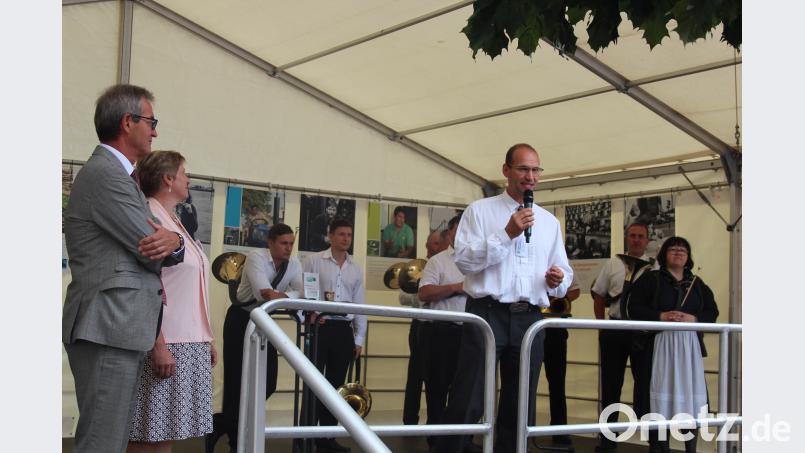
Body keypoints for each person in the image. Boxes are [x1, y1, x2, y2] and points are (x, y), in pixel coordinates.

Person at [62, 84, 185, 453]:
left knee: (111, 439)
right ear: (127, 122)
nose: (155, 132)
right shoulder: (106, 174)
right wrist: (169, 242)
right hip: (108, 324)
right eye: (151, 122)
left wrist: (174, 239)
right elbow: (150, 247)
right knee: (102, 441)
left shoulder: (121, 175)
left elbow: (163, 242)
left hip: (117, 325)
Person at [432, 143, 573, 453]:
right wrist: (506, 233)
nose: (530, 176)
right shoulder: (479, 211)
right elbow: (464, 262)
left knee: (520, 402)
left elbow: (564, 273)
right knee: (469, 396)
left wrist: (558, 279)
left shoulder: (549, 222)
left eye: (535, 170)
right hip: (487, 312)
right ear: (506, 170)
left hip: (530, 317)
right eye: (523, 169)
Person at [127, 151, 217, 453]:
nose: (188, 179)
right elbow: (147, 284)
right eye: (183, 173)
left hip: (188, 340)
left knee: (165, 433)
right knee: (147, 433)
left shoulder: (174, 220)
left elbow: (190, 286)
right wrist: (159, 344)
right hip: (168, 340)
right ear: (168, 179)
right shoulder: (151, 217)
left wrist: (206, 337)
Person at [206, 223, 304, 453]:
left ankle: (222, 423)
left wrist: (282, 295)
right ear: (270, 243)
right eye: (283, 243)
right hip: (240, 320)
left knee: (268, 382)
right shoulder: (255, 258)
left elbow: (303, 292)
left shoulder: (294, 263)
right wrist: (288, 296)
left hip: (264, 320)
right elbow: (263, 293)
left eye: (291, 243)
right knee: (236, 380)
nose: (288, 248)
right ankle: (235, 440)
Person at [625, 237, 718, 453]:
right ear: (664, 254)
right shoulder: (651, 279)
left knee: (689, 398)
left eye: (683, 250)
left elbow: (712, 311)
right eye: (673, 249)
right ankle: (660, 448)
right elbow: (634, 308)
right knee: (659, 399)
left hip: (689, 348)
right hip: (659, 346)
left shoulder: (697, 283)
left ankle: (691, 449)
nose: (678, 252)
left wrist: (694, 319)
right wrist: (661, 316)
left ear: (688, 257)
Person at [302, 219, 367, 453]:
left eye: (349, 234)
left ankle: (327, 438)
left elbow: (360, 305)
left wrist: (359, 339)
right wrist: (308, 315)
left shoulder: (355, 267)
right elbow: (304, 292)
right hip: (320, 326)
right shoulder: (314, 260)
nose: (346, 238)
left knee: (336, 386)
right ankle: (304, 436)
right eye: (341, 234)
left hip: (343, 330)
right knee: (312, 383)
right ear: (330, 236)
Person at [591, 223, 654, 452]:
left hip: (642, 333)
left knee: (646, 385)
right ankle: (608, 440)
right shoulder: (613, 263)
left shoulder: (654, 268)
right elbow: (599, 295)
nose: (636, 240)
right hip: (615, 330)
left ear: (647, 240)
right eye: (632, 236)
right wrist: (601, 326)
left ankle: (653, 440)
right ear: (627, 238)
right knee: (610, 386)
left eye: (641, 236)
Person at [418, 215, 467, 446]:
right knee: (437, 388)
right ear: (449, 234)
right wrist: (456, 287)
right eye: (459, 229)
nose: (464, 233)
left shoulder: (482, 261)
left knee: (466, 389)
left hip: (472, 332)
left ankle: (462, 439)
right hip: (442, 332)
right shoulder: (437, 261)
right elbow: (424, 293)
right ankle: (436, 438)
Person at [400, 229, 447, 425]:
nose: (431, 249)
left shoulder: (447, 265)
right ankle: (410, 421)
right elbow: (402, 297)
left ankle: (435, 422)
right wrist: (422, 295)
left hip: (441, 327)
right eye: (429, 245)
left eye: (435, 244)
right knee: (415, 374)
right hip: (420, 325)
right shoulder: (419, 266)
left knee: (435, 376)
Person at [540, 272, 580, 448]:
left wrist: (558, 299)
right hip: (529, 323)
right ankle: (521, 428)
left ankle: (559, 430)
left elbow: (576, 290)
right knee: (524, 383)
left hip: (555, 328)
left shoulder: (564, 264)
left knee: (557, 383)